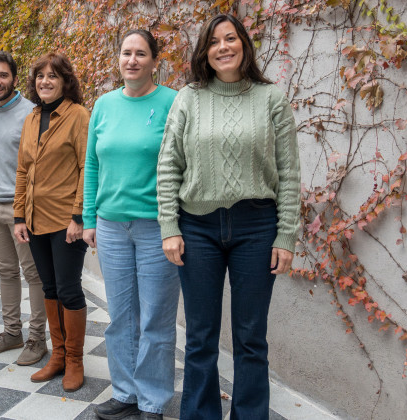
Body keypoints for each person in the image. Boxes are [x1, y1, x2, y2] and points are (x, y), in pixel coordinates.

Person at [157, 14, 301, 420]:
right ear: (205, 51)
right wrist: (170, 226)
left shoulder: (271, 98)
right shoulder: (189, 98)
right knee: (201, 337)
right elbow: (168, 166)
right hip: (197, 227)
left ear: (244, 45)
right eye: (214, 41)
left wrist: (285, 236)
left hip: (257, 227)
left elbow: (289, 172)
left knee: (251, 338)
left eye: (231, 39)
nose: (223, 47)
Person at [82, 30, 179, 420]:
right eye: (126, 53)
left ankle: (152, 401)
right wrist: (89, 218)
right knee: (121, 315)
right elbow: (92, 164)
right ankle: (124, 393)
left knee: (156, 316)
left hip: (156, 226)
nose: (132, 60)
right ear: (118, 59)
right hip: (110, 227)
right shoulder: (103, 105)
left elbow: (181, 165)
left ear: (155, 60)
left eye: (141, 54)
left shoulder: (173, 102)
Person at [13, 52, 90, 392]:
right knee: (49, 288)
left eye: (53, 76)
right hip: (34, 219)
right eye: (40, 76)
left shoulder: (77, 116)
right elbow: (23, 169)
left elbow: (88, 168)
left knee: (69, 288)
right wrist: (18, 215)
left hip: (65, 221)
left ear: (65, 81)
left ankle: (74, 360)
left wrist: (79, 216)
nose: (45, 81)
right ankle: (56, 355)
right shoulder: (31, 118)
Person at [0, 51, 47, 365]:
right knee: (6, 272)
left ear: (15, 79)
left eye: (2, 75)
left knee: (33, 274)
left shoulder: (33, 113)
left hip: (24, 210)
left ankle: (37, 338)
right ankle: (11, 332)